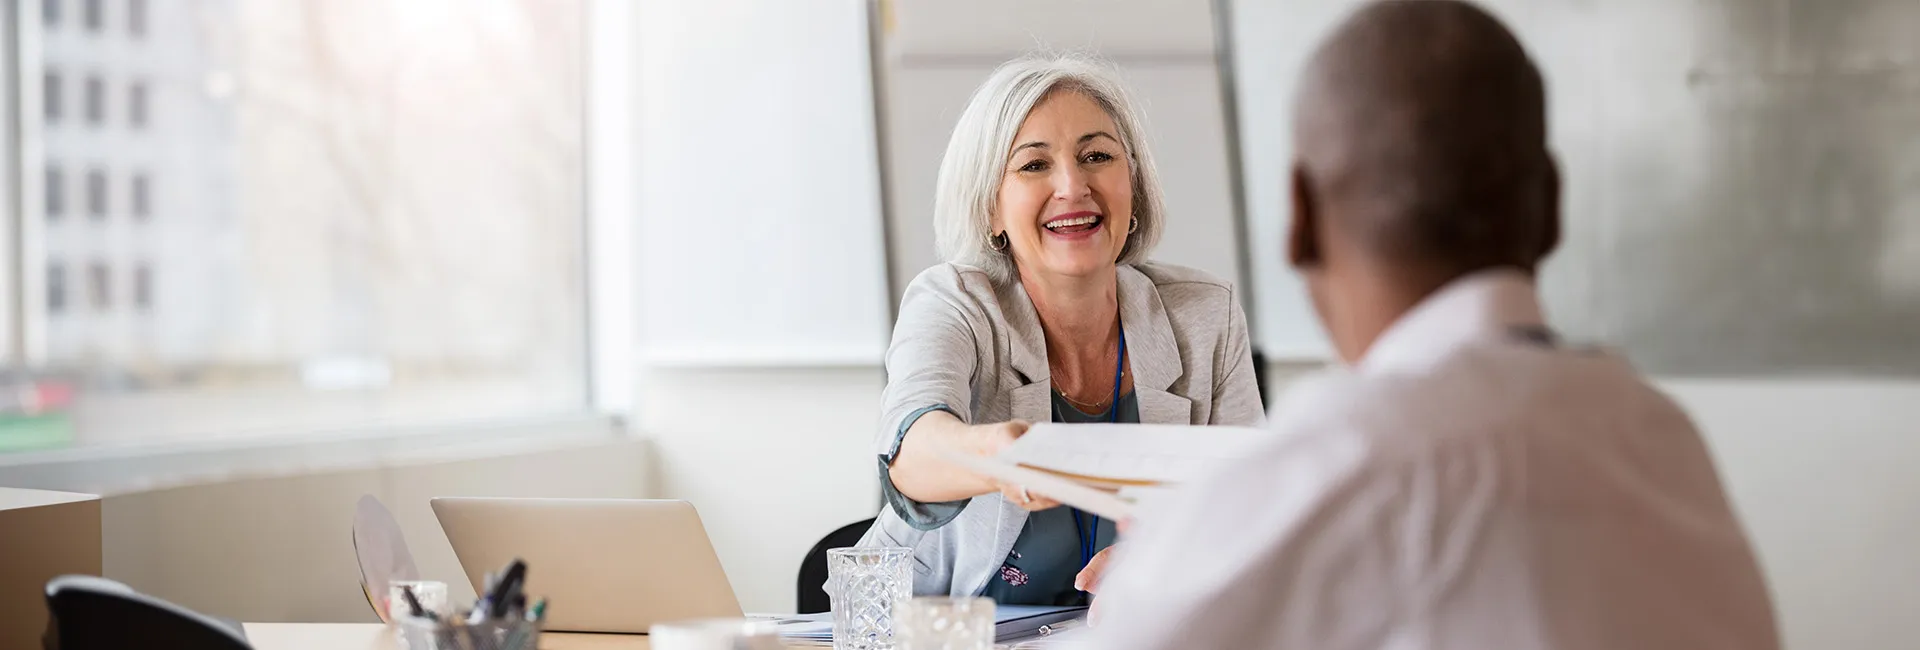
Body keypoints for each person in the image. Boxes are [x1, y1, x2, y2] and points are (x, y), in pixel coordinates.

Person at [1075, 1, 1782, 648]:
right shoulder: (1663, 440)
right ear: (1554, 209)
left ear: (1301, 219)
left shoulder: (1345, 457)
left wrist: (1152, 566)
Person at [856, 54, 1264, 606]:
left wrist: (1169, 556)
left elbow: (1252, 505)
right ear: (991, 209)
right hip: (936, 628)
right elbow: (912, 454)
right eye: (1033, 165)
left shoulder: (1206, 312)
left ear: (1134, 189)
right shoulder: (952, 302)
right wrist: (997, 456)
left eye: (1097, 156)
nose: (1073, 186)